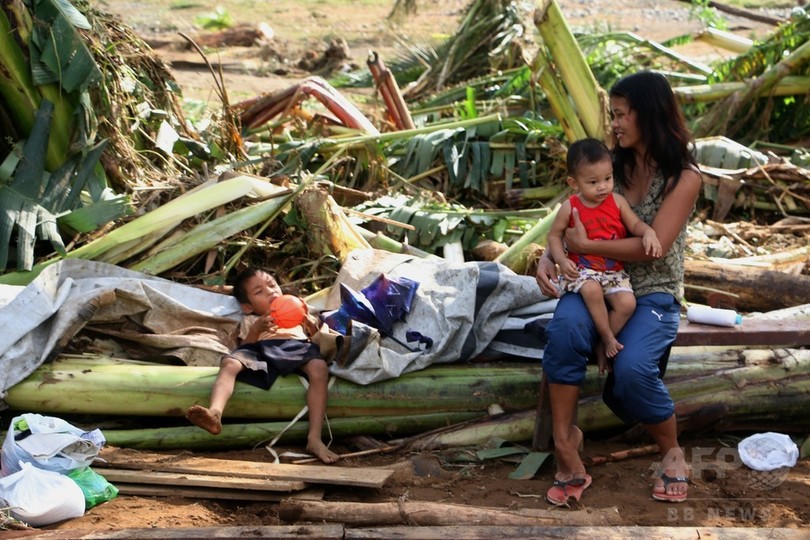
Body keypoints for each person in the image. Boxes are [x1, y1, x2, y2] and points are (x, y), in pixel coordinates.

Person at [535, 71, 701, 505]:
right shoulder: (609, 165)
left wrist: (587, 244)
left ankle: (671, 453)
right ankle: (566, 448)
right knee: (564, 333)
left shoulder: (683, 177)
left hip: (653, 293)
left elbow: (655, 247)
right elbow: (565, 219)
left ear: (648, 114)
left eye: (623, 114)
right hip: (591, 281)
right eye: (615, 115)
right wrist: (547, 256)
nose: (616, 124)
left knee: (630, 373)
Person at [186, 268, 339, 464]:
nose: (270, 292)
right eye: (259, 292)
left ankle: (314, 438)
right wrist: (257, 328)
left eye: (272, 285)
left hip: (296, 347)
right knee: (230, 362)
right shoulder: (251, 320)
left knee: (319, 367)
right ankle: (215, 412)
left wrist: (309, 324)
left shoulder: (298, 313)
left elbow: (317, 340)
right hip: (261, 349)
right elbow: (245, 348)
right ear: (248, 307)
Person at [547, 137, 662, 374]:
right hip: (582, 270)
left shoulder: (617, 202)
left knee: (627, 304)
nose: (602, 187)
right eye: (593, 182)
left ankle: (601, 341)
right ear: (574, 182)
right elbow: (554, 237)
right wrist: (560, 259)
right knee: (591, 291)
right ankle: (609, 338)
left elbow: (636, 224)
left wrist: (648, 232)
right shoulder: (570, 207)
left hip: (613, 271)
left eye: (607, 179)